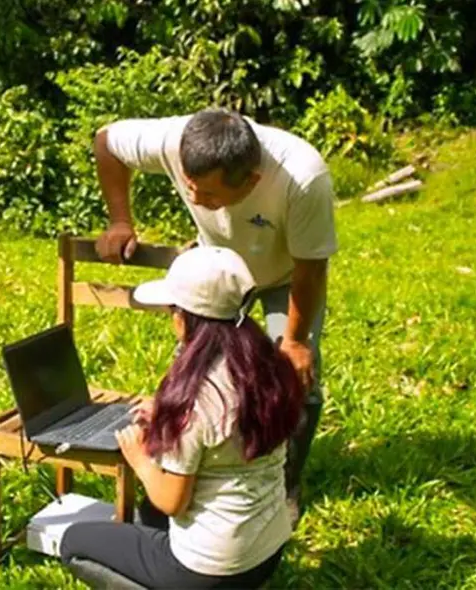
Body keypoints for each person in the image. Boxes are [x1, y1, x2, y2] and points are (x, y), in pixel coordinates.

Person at [92, 107, 336, 524]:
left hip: (286, 276)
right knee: (196, 373)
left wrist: (295, 342)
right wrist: (119, 221)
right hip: (218, 273)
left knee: (295, 380)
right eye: (189, 186)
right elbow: (105, 142)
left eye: (208, 194)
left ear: (252, 182)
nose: (194, 200)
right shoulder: (174, 138)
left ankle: (281, 486)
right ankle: (190, 469)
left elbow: (310, 268)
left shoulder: (303, 177)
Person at [59, 246, 304, 589]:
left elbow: (172, 502)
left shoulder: (196, 398)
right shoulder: (269, 366)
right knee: (144, 518)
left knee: (73, 542)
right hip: (266, 552)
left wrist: (140, 458)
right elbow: (224, 423)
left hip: (208, 570)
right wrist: (167, 413)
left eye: (173, 309)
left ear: (184, 316)